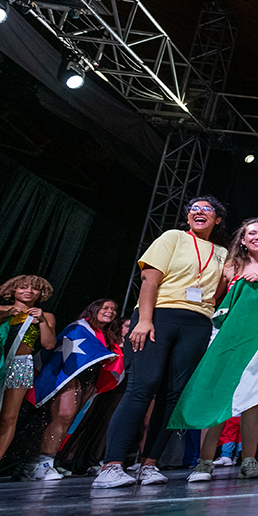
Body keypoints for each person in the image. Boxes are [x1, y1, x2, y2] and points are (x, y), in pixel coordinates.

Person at [94, 196, 229, 488]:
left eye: (207, 209)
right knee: (143, 387)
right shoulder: (173, 237)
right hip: (161, 315)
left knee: (173, 395)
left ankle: (149, 464)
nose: (199, 212)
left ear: (217, 219)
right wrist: (144, 320)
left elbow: (216, 294)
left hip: (198, 323)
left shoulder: (221, 252)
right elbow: (150, 280)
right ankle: (111, 465)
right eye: (194, 208)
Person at [188, 217, 258, 482]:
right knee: (218, 399)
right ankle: (205, 462)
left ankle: (249, 460)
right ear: (243, 240)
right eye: (252, 233)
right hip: (227, 341)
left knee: (252, 400)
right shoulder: (230, 266)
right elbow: (214, 301)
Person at [30, 299, 121, 481]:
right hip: (70, 374)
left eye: (114, 309)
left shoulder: (108, 335)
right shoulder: (79, 327)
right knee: (64, 414)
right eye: (105, 308)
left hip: (89, 377)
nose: (110, 311)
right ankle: (40, 463)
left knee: (70, 419)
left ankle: (49, 461)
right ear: (93, 309)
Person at [0, 275, 57, 485]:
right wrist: (7, 314)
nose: (29, 292)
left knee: (8, 418)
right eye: (23, 288)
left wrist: (42, 320)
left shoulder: (47, 316)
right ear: (13, 290)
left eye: (34, 289)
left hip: (19, 365)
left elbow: (49, 344)